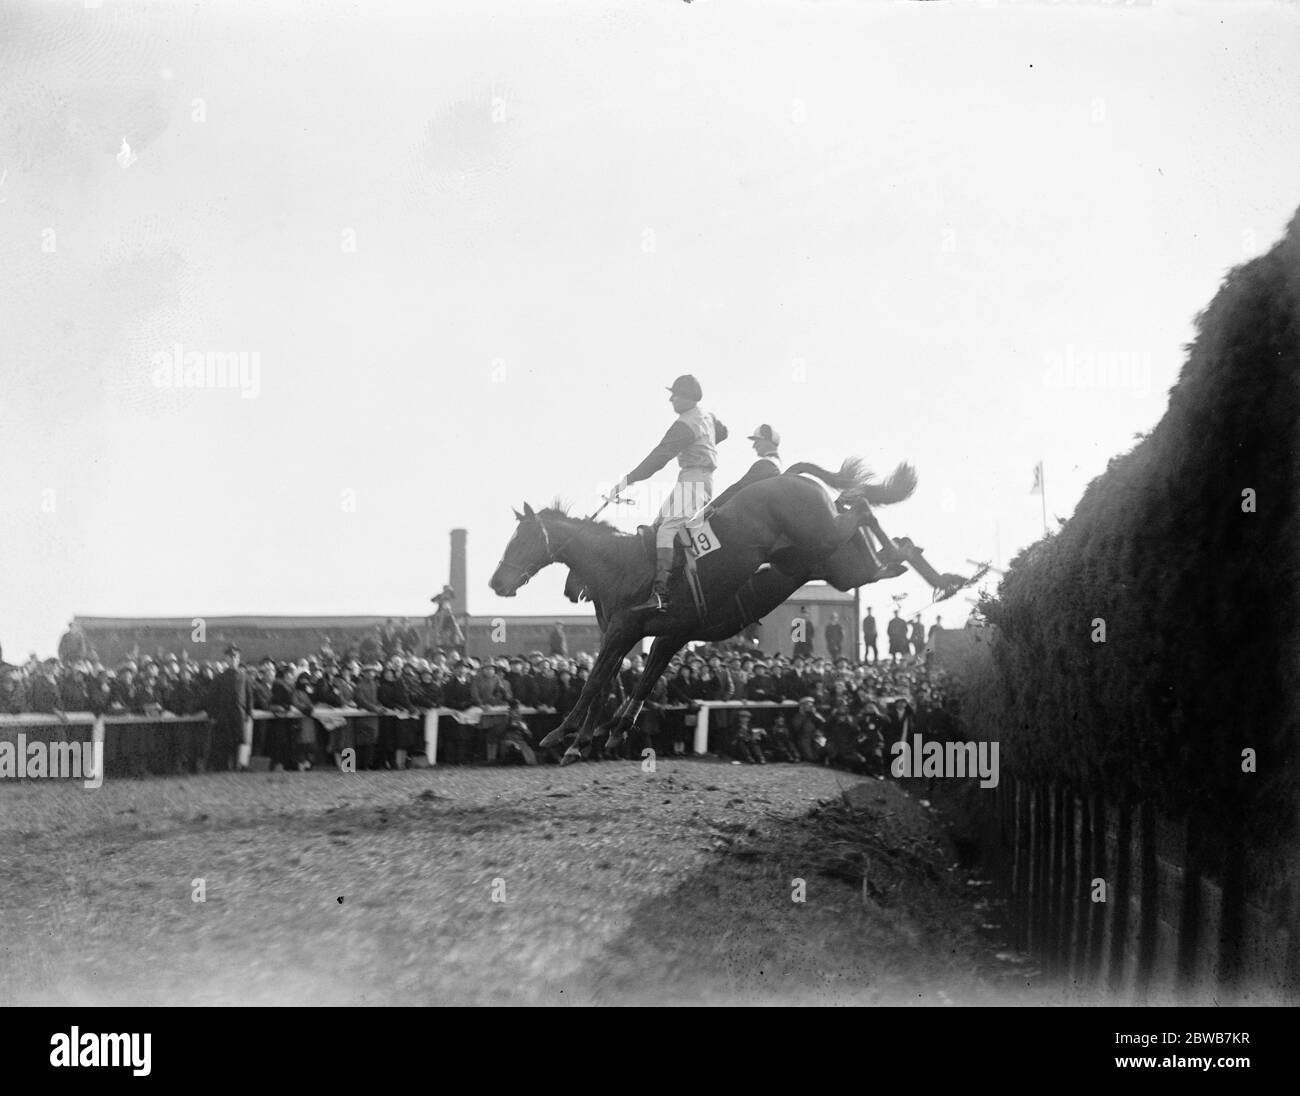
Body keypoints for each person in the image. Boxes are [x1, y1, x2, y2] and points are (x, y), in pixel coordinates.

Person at [606, 374, 728, 612]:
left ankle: (662, 593)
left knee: (666, 531)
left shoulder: (685, 424)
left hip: (695, 479)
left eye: (675, 395)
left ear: (687, 397)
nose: (671, 399)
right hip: (694, 477)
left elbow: (658, 458)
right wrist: (706, 445)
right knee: (658, 524)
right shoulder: (707, 416)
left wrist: (628, 480)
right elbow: (724, 432)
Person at [711, 423, 782, 511]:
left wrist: (712, 506)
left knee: (698, 522)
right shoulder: (777, 464)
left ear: (767, 441)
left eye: (757, 441)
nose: (754, 446)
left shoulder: (766, 464)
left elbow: (738, 488)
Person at [208, 645, 253, 772]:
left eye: (235, 657)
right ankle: (224, 767)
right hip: (224, 715)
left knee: (241, 741)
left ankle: (241, 765)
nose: (233, 659)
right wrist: (213, 715)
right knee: (225, 741)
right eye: (230, 657)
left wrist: (249, 713)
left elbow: (249, 696)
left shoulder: (245, 677)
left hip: (239, 714)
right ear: (226, 659)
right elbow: (212, 698)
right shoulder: (219, 678)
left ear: (238, 659)